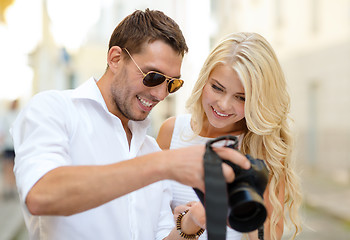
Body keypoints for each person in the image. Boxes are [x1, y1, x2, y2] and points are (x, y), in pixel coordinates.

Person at [11, 9, 251, 240]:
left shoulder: (150, 149)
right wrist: (165, 164)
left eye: (171, 84)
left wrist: (193, 223)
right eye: (153, 77)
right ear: (115, 58)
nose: (160, 94)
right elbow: (41, 194)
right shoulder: (54, 109)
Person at [157, 32, 302, 240]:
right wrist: (188, 222)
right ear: (204, 80)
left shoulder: (261, 149)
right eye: (217, 88)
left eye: (241, 97)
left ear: (258, 101)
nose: (223, 105)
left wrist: (236, 210)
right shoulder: (171, 132)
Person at [0, 99, 19, 199]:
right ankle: (7, 188)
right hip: (7, 145)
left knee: (14, 168)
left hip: (14, 146)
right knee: (7, 167)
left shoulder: (18, 114)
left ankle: (12, 188)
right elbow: (2, 132)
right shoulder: (6, 116)